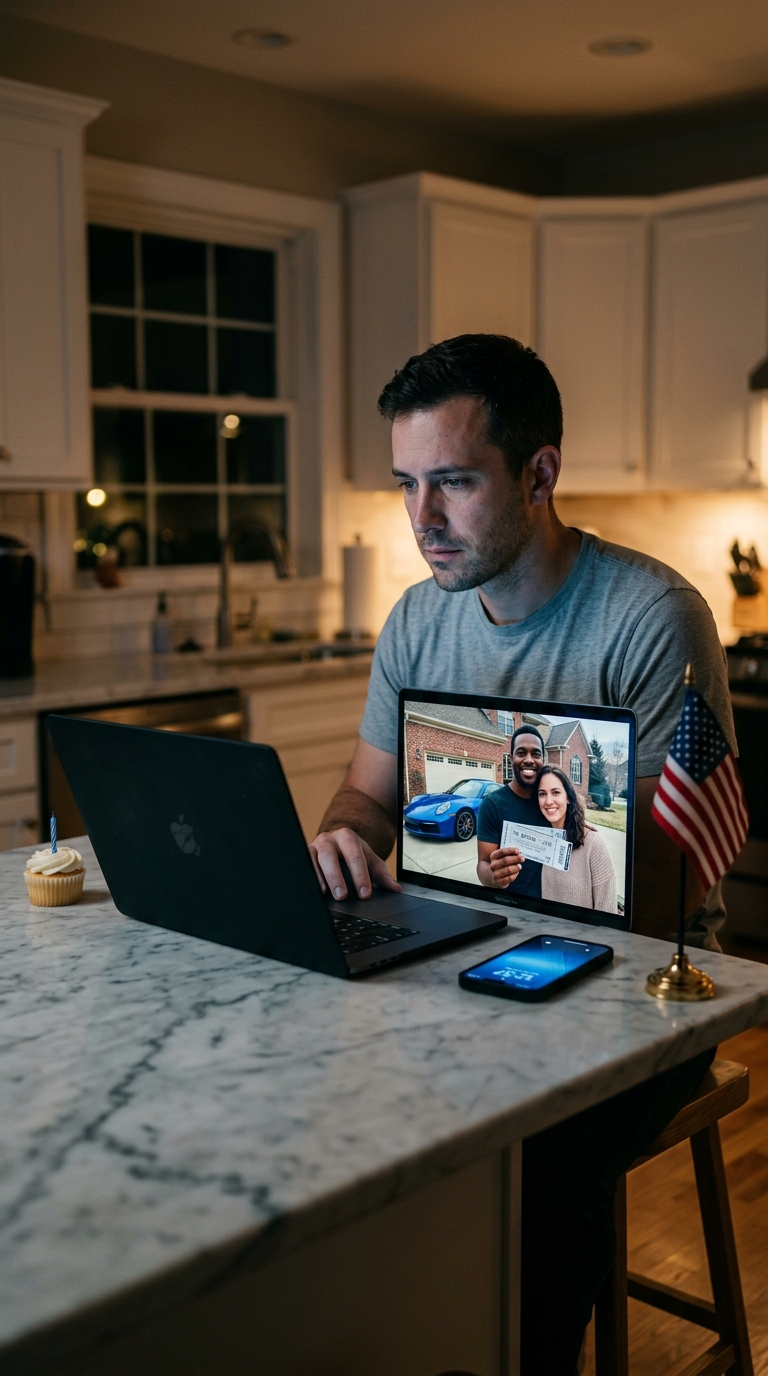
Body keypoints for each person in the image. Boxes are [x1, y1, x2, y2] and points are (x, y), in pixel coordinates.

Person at [309, 334, 725, 1374]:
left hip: (640, 994)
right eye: (407, 484)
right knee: (324, 1096)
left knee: (530, 1157)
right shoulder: (416, 619)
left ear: (539, 473)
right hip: (458, 952)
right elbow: (365, 794)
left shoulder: (650, 618)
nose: (422, 519)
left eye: (453, 481)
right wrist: (346, 839)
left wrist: (507, 886)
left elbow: (658, 891)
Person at [476, 725, 549, 895]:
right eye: (521, 753)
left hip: (550, 903)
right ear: (511, 758)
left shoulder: (550, 803)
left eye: (536, 754)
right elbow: (483, 863)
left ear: (543, 759)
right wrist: (493, 878)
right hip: (510, 903)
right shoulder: (492, 805)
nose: (529, 760)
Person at [537, 765, 618, 913]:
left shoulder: (594, 843)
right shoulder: (542, 841)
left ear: (568, 797)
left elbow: (607, 912)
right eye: (542, 794)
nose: (548, 801)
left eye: (555, 792)